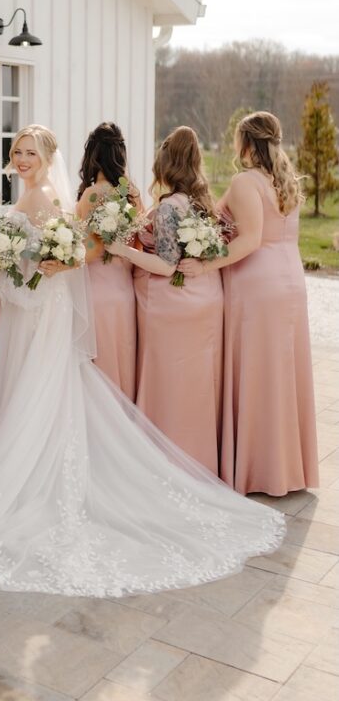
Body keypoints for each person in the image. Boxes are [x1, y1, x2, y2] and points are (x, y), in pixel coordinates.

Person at [0, 123, 283, 598]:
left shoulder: (45, 197)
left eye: (30, 152)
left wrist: (11, 272)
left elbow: (61, 261)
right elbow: (45, 255)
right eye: (17, 151)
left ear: (48, 158)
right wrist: (4, 267)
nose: (21, 159)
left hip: (40, 312)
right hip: (31, 311)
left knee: (41, 394)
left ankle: (38, 486)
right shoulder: (38, 196)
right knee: (35, 395)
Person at [179, 111, 319, 495]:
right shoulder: (284, 179)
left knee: (258, 374)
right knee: (281, 375)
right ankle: (283, 469)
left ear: (245, 142)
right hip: (290, 280)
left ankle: (259, 470)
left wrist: (204, 264)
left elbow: (250, 239)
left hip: (257, 286)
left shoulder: (246, 181)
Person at [107, 127, 224, 474]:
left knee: (168, 387)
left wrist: (123, 250)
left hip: (171, 306)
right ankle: (197, 463)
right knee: (193, 388)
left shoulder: (170, 208)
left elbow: (167, 263)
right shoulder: (200, 200)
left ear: (164, 163)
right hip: (202, 299)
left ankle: (166, 464)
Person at [75, 122, 138, 398]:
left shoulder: (92, 194)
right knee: (123, 359)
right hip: (124, 290)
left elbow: (89, 247)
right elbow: (138, 243)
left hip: (96, 291)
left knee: (100, 369)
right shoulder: (131, 193)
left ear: (93, 154)